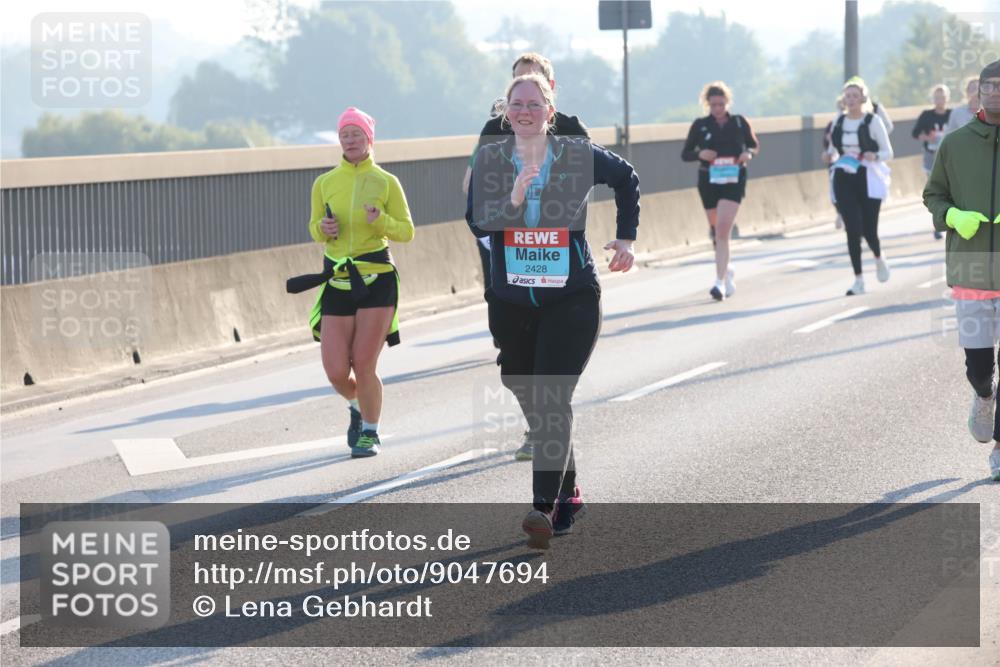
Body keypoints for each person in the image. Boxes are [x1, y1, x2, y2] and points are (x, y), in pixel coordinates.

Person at [467, 73, 639, 548]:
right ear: (507, 111)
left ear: (550, 109)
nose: (525, 112)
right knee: (523, 385)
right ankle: (569, 492)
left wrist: (626, 239)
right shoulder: (492, 159)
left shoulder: (576, 154)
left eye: (534, 104)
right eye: (516, 104)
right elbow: (477, 218)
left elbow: (626, 179)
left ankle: (542, 507)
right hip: (512, 300)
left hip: (571, 298)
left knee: (551, 395)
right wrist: (516, 196)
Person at [301, 107, 414, 458]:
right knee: (336, 371)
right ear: (339, 140)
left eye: (357, 134)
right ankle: (357, 404)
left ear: (369, 139)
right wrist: (324, 229)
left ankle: (369, 431)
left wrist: (380, 221)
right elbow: (314, 227)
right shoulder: (325, 183)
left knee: (364, 364)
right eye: (345, 134)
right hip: (337, 278)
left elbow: (406, 231)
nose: (350, 140)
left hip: (377, 280)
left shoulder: (385, 181)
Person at [924, 59, 1000, 481]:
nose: (995, 93)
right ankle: (984, 395)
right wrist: (952, 216)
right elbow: (933, 195)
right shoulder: (955, 143)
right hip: (970, 267)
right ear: (978, 93)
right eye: (989, 86)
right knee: (979, 367)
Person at [462, 53, 589, 303]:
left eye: (534, 78)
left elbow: (590, 178)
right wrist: (499, 207)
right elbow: (469, 182)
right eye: (519, 79)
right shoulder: (494, 128)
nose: (525, 84)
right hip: (503, 231)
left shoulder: (572, 130)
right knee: (502, 299)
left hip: (553, 236)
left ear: (550, 87)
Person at [681, 81, 760, 301]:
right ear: (707, 104)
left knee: (723, 230)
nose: (718, 108)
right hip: (709, 180)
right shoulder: (700, 125)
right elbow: (685, 153)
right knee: (716, 230)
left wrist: (748, 154)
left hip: (733, 180)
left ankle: (719, 283)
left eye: (721, 104)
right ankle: (727, 269)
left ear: (727, 102)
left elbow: (754, 145)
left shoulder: (738, 122)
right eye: (713, 104)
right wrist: (700, 154)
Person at [824, 77, 894, 296]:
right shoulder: (839, 120)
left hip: (868, 175)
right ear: (843, 100)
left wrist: (874, 155)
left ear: (863, 98)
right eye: (848, 96)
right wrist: (829, 155)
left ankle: (878, 256)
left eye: (855, 96)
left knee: (869, 230)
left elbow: (888, 153)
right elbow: (833, 149)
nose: (851, 100)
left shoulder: (873, 121)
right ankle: (858, 279)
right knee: (852, 229)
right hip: (844, 175)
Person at [912, 84, 952, 239]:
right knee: (936, 191)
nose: (939, 100)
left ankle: (949, 219)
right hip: (931, 156)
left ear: (947, 98)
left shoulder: (952, 114)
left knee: (951, 191)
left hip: (949, 157)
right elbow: (915, 133)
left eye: (942, 97)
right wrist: (928, 137)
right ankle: (938, 224)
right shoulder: (926, 115)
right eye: (936, 97)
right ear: (932, 99)